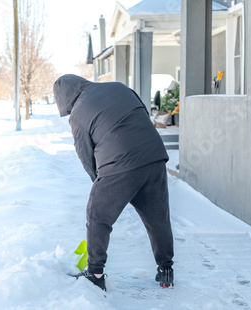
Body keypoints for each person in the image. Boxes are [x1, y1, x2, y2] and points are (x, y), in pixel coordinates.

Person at [53, 74, 174, 292]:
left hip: (120, 165)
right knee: (158, 218)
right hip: (155, 157)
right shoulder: (119, 87)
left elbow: (85, 154)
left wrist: (99, 183)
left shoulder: (78, 114)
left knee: (97, 216)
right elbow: (143, 114)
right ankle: (166, 270)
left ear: (66, 99)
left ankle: (95, 273)